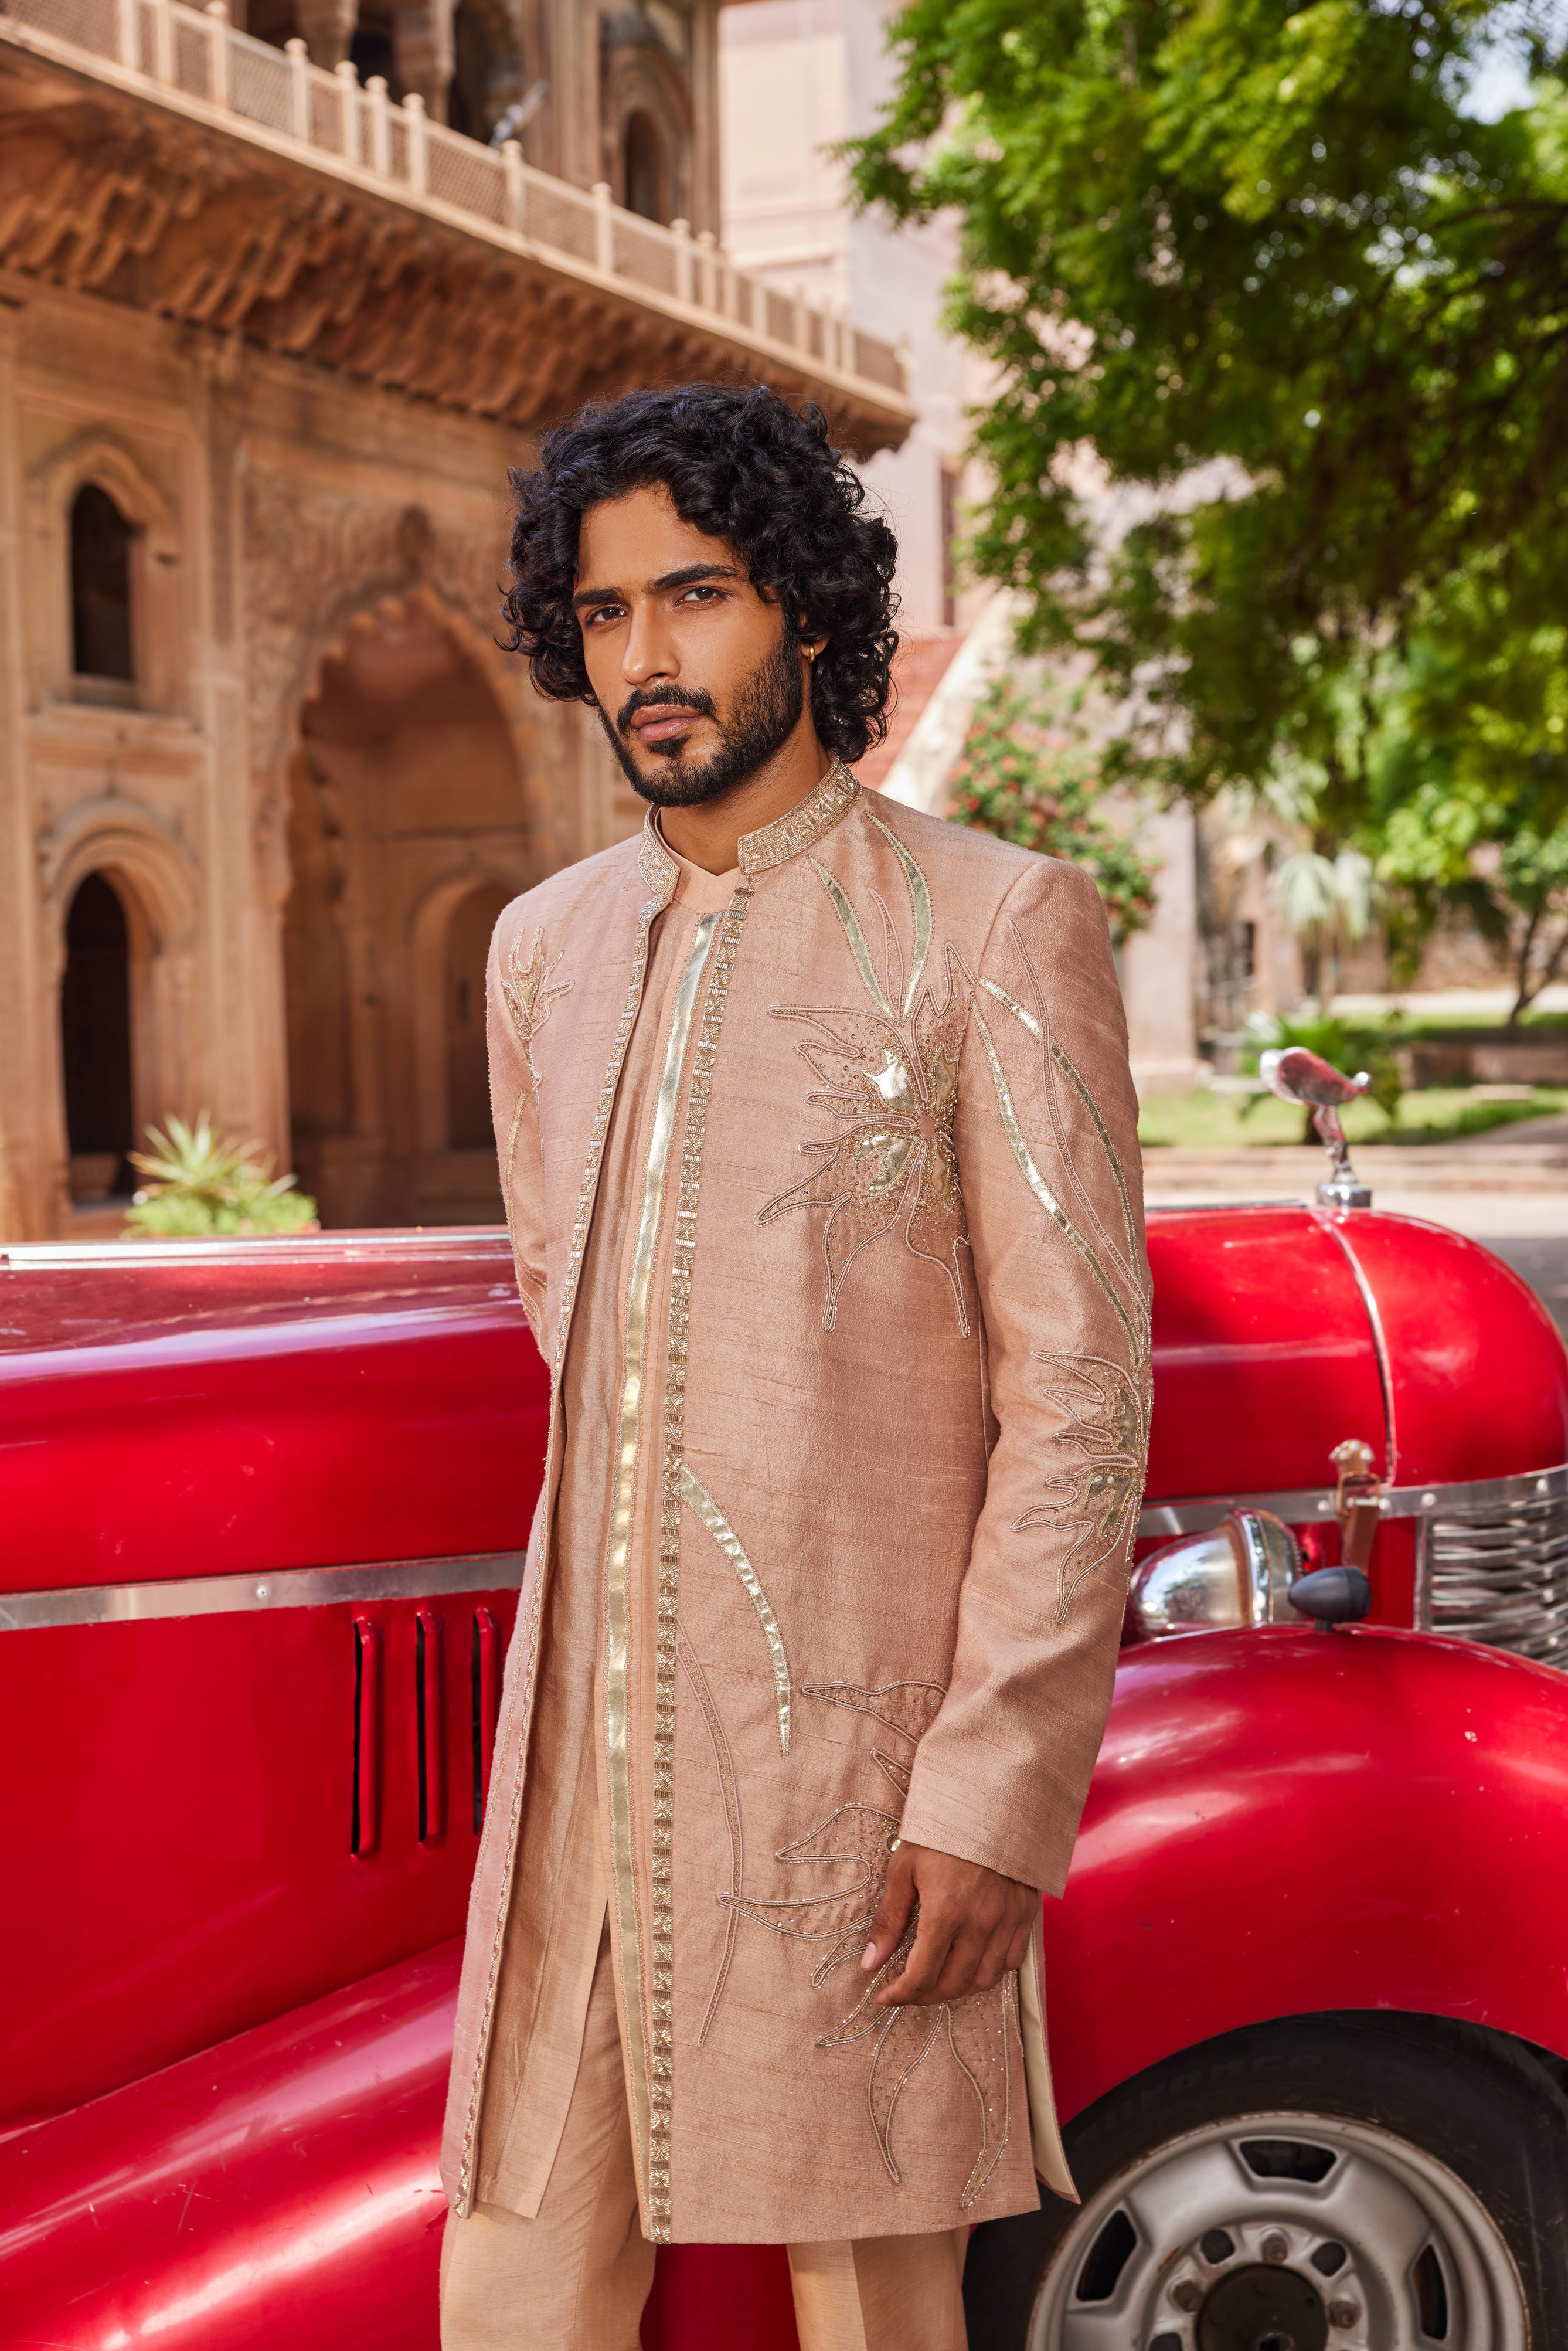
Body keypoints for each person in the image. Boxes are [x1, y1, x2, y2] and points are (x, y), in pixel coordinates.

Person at [438, 383, 1149, 2351]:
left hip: (854, 1762)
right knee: (513, 2268)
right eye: (601, 616)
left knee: (870, 2288)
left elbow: (1080, 1396)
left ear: (811, 613)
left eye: (699, 596)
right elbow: (563, 1308)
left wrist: (995, 1788)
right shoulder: (543, 951)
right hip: (581, 1740)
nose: (647, 661)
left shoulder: (990, 922)